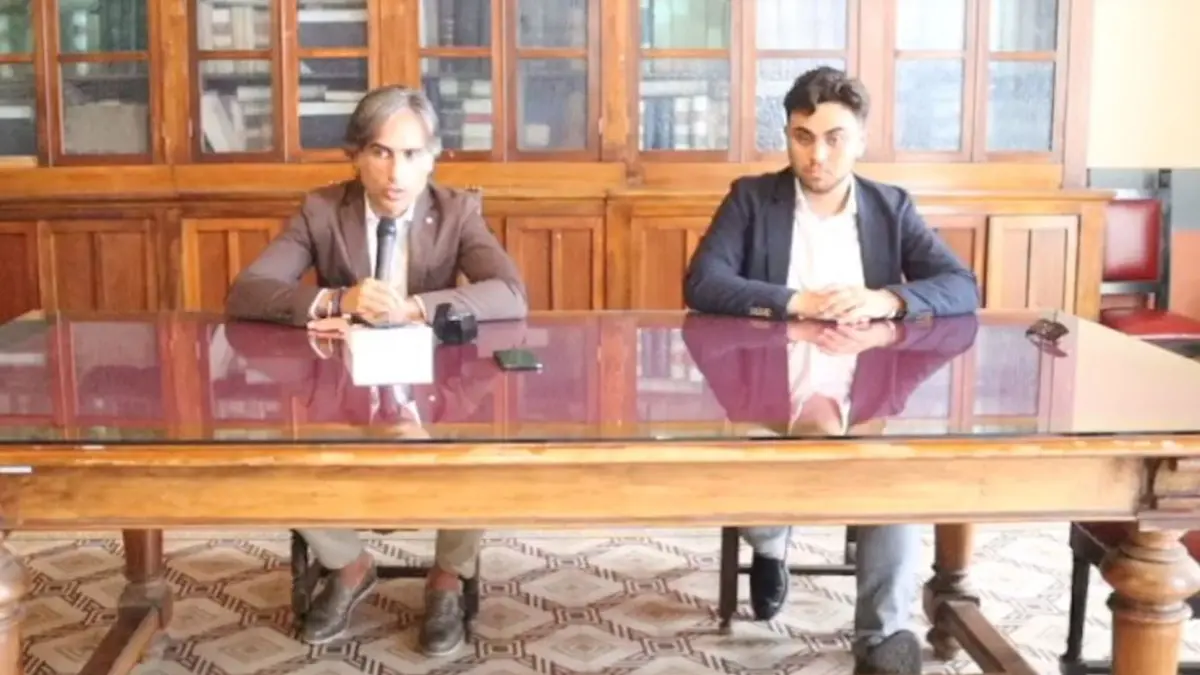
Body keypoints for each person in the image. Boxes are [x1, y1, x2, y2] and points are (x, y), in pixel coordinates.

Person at [682, 66, 980, 675]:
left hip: (862, 386)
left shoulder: (890, 207)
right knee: (753, 479)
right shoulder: (751, 199)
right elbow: (704, 284)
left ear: (860, 139)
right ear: (787, 136)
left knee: (889, 479)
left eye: (834, 138)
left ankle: (882, 637)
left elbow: (961, 286)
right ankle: (771, 545)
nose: (817, 155)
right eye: (803, 137)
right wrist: (799, 301)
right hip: (769, 384)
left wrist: (887, 299)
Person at [226, 85, 528, 655]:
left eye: (412, 155)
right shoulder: (322, 210)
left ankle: (447, 577)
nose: (396, 173)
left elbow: (511, 293)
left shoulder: (457, 211)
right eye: (381, 153)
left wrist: (416, 308)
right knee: (275, 457)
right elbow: (248, 290)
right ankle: (348, 564)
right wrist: (337, 299)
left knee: (480, 451)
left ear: (433, 159)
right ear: (356, 156)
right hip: (342, 391)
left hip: (434, 390)